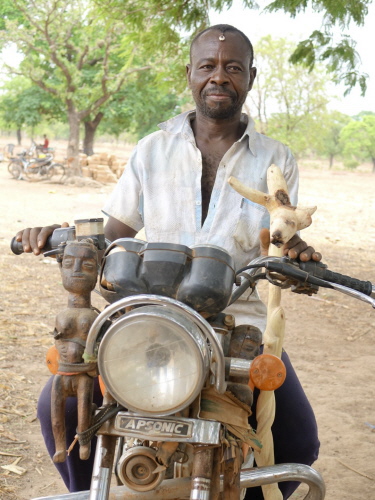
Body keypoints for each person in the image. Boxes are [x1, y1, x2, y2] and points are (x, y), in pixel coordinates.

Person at [16, 24, 320, 499]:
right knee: (53, 404)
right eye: (208, 66)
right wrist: (59, 235)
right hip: (148, 323)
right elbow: (113, 231)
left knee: (298, 439)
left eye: (232, 68)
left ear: (251, 78)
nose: (219, 77)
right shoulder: (151, 149)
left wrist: (295, 253)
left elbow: (275, 239)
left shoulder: (276, 159)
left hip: (237, 326)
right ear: (190, 75)